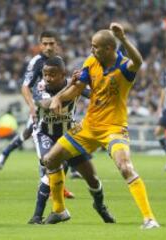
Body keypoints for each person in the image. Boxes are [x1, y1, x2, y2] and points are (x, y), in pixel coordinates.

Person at [42, 23, 159, 229]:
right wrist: (59, 99)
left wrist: (122, 38)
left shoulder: (124, 66)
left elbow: (138, 61)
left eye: (95, 47)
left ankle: (149, 218)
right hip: (88, 127)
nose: (91, 50)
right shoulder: (91, 62)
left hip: (113, 128)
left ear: (109, 49)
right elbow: (77, 89)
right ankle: (59, 210)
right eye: (91, 46)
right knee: (50, 159)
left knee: (125, 167)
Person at [27, 57, 115, 225]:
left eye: (52, 74)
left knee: (92, 178)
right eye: (45, 74)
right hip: (46, 134)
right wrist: (70, 86)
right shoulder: (39, 86)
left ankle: (100, 206)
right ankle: (37, 216)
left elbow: (95, 95)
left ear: (63, 74)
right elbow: (48, 104)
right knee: (50, 164)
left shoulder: (76, 85)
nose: (48, 78)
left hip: (71, 135)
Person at [0, 31, 58, 169]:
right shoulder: (36, 62)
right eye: (45, 44)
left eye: (51, 43)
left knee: (60, 135)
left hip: (55, 106)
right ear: (40, 45)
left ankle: (71, 170)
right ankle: (6, 153)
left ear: (56, 44)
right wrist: (31, 106)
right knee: (35, 136)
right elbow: (25, 86)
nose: (48, 47)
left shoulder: (59, 61)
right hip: (40, 108)